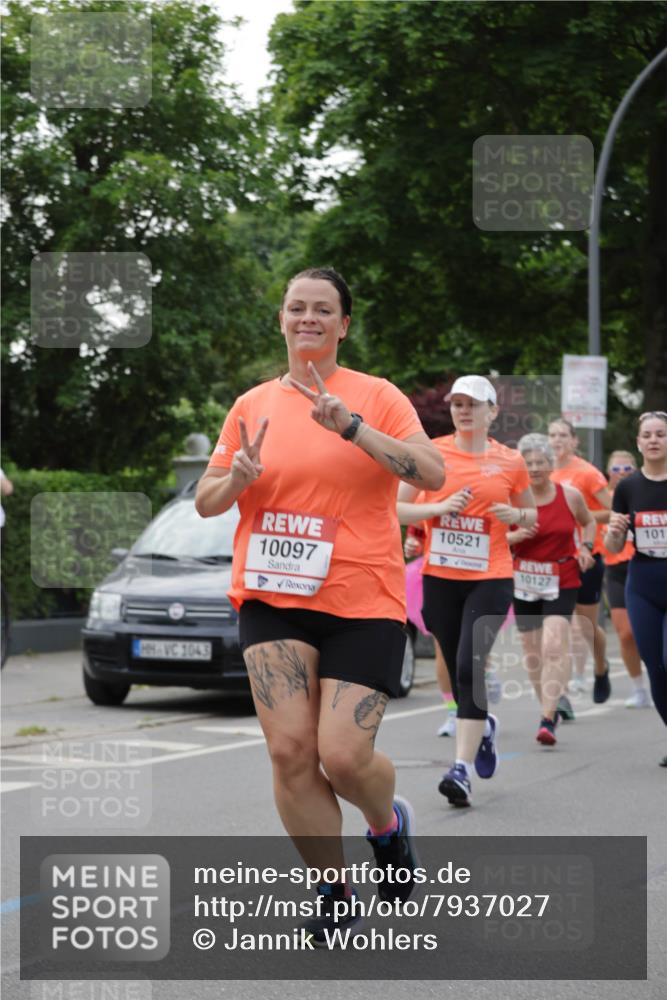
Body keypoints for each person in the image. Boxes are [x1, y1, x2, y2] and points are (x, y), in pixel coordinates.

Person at [195, 267, 444, 940]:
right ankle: (331, 886)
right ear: (281, 319)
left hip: (361, 597)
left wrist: (354, 428)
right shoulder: (251, 405)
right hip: (272, 597)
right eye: (296, 307)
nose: (308, 317)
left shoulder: (378, 396)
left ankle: (387, 827)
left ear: (343, 324)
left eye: (323, 309)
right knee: (289, 753)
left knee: (342, 755)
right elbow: (207, 498)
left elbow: (431, 473)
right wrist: (236, 478)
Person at [397, 375, 536, 807]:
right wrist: (437, 508)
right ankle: (484, 725)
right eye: (457, 403)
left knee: (467, 665)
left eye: (473, 404)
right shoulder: (432, 453)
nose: (463, 410)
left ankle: (460, 769)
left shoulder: (510, 461)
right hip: (439, 576)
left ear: (492, 411)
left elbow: (530, 514)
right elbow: (396, 507)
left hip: (491, 575)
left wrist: (515, 512)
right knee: (458, 666)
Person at [506, 434, 595, 745]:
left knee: (553, 645)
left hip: (562, 576)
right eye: (528, 463)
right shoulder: (512, 499)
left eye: (540, 462)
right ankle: (550, 703)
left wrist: (586, 547)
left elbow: (589, 523)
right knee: (532, 654)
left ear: (550, 464)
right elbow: (495, 537)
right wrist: (515, 538)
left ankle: (547, 720)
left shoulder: (569, 496)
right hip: (524, 578)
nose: (534, 469)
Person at [605, 411, 667, 767]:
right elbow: (614, 547)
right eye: (648, 435)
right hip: (642, 582)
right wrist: (614, 532)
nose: (654, 440)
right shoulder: (628, 487)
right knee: (655, 665)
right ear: (639, 442)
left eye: (661, 433)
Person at [548, 419, 612, 702]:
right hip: (551, 559)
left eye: (563, 435)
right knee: (556, 626)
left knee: (586, 626)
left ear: (575, 441)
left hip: (586, 557)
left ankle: (601, 666)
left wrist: (576, 513)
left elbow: (611, 512)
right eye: (552, 435)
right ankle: (560, 692)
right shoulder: (540, 471)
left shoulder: (587, 473)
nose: (557, 440)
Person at [603, 451, 650, 708]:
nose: (621, 474)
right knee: (626, 634)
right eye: (616, 469)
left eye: (626, 469)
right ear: (608, 472)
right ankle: (639, 688)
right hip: (616, 570)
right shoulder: (603, 498)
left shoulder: (641, 492)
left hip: (644, 565)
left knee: (649, 635)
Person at [404, 523, 458, 736]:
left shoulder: (486, 491)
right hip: (437, 577)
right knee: (443, 647)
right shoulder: (427, 493)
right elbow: (416, 537)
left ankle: (485, 672)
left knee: (472, 644)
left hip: (480, 579)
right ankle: (453, 712)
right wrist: (412, 544)